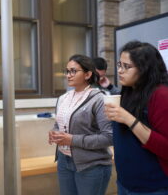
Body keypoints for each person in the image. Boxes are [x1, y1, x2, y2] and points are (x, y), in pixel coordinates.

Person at [104, 41, 168, 194]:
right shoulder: (128, 92)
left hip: (152, 186)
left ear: (145, 69)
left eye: (127, 67)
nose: (120, 71)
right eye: (119, 65)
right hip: (125, 182)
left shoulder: (161, 95)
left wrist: (128, 119)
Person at [49, 54, 113, 195]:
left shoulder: (99, 99)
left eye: (73, 71)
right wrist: (54, 132)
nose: (68, 75)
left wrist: (72, 140)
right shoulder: (63, 98)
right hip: (64, 161)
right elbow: (59, 124)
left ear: (87, 74)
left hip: (92, 165)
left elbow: (108, 137)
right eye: (67, 71)